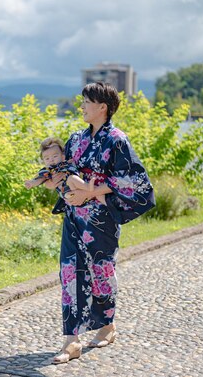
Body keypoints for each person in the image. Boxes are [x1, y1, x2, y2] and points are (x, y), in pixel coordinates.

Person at [45, 82, 155, 364]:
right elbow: (64, 171)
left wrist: (91, 192)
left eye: (86, 102)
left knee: (101, 273)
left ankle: (107, 326)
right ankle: (71, 342)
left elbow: (135, 182)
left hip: (101, 221)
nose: (81, 106)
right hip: (74, 220)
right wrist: (61, 187)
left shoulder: (117, 140)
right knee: (70, 272)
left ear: (102, 107)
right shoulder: (75, 139)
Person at [25, 138, 105, 213]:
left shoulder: (65, 163)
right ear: (43, 160)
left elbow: (73, 162)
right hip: (68, 194)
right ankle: (89, 187)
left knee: (98, 193)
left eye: (55, 156)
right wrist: (32, 183)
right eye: (47, 158)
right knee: (71, 178)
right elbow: (40, 179)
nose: (51, 160)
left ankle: (109, 204)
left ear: (62, 156)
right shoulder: (48, 170)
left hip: (79, 189)